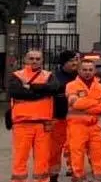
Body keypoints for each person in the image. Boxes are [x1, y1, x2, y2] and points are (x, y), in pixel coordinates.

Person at [8, 49, 60, 182]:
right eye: (31, 58)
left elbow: (54, 88)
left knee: (42, 160)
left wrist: (30, 87)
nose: (34, 61)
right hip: (22, 124)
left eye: (37, 59)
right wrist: (42, 91)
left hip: (43, 125)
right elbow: (16, 93)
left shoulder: (49, 76)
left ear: (42, 60)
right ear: (25, 60)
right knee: (20, 159)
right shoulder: (17, 76)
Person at [65, 59, 101, 182]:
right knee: (77, 155)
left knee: (98, 154)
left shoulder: (100, 87)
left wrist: (86, 105)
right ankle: (78, 178)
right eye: (84, 70)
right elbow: (75, 104)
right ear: (79, 70)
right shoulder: (71, 85)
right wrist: (96, 103)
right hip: (77, 126)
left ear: (94, 71)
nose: (87, 72)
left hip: (95, 126)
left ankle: (100, 178)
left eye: (90, 70)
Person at [50, 50, 79, 181]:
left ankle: (75, 173)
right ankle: (53, 176)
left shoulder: (81, 76)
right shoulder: (54, 78)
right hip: (58, 119)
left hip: (76, 120)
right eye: (72, 60)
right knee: (54, 150)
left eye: (76, 60)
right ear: (63, 63)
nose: (75, 63)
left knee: (76, 149)